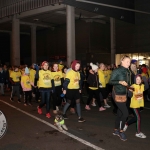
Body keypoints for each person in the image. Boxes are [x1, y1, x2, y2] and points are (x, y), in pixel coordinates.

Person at [109, 55, 131, 141]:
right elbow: (110, 81)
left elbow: (128, 83)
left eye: (129, 62)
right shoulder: (117, 71)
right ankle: (121, 132)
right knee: (125, 113)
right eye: (127, 61)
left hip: (124, 94)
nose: (128, 63)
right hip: (117, 94)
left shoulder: (128, 71)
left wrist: (130, 88)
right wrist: (120, 82)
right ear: (122, 61)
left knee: (120, 113)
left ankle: (115, 130)